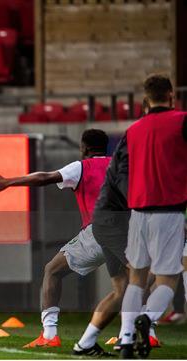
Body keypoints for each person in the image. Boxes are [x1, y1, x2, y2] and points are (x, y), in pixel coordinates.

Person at [0, 129, 111, 353]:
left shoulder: (81, 166)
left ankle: (50, 335)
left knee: (52, 270)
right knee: (131, 285)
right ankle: (145, 334)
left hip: (98, 232)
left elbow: (44, 178)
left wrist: (9, 182)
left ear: (85, 148)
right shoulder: (121, 166)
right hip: (129, 233)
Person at [118, 74, 187, 358]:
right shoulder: (182, 120)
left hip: (137, 213)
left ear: (145, 100)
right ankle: (147, 318)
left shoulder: (133, 131)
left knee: (136, 279)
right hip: (169, 212)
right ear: (171, 95)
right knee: (167, 280)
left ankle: (125, 340)